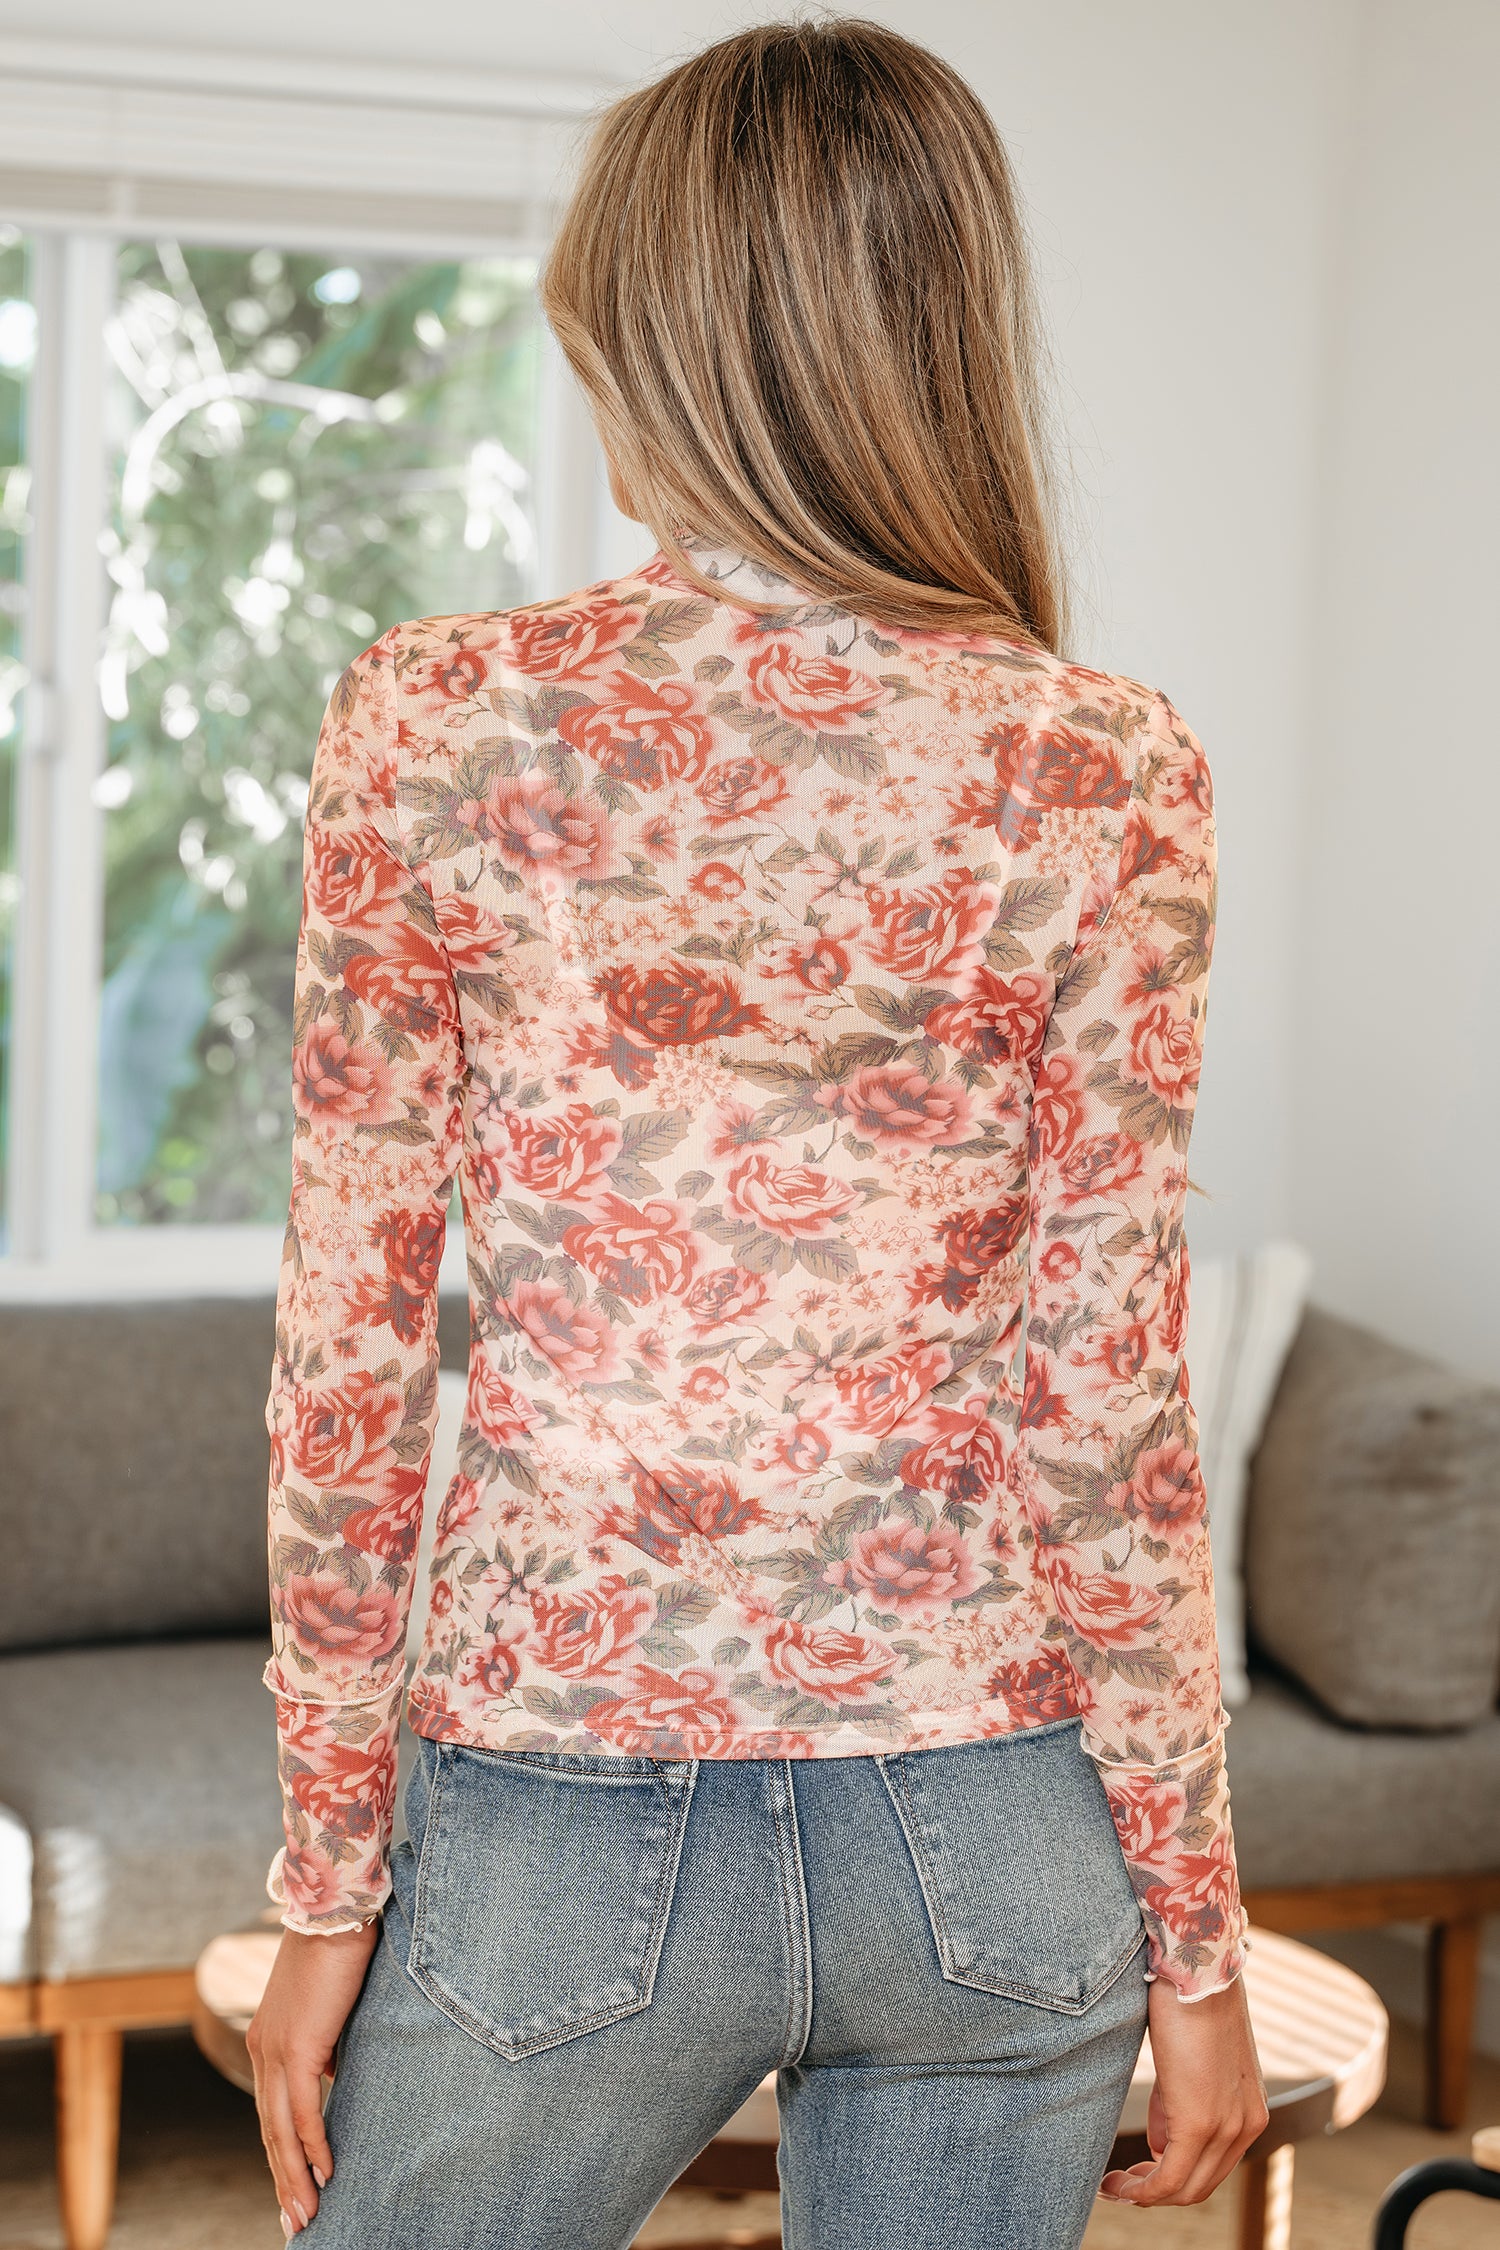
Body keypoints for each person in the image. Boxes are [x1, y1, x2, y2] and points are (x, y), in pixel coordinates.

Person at [247, 19, 1268, 2247]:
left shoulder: (441, 717)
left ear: (665, 346)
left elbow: (349, 1360)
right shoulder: (1110, 762)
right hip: (998, 1831)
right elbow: (1107, 1398)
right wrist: (1194, 1935)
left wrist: (324, 1881)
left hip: (563, 1809)